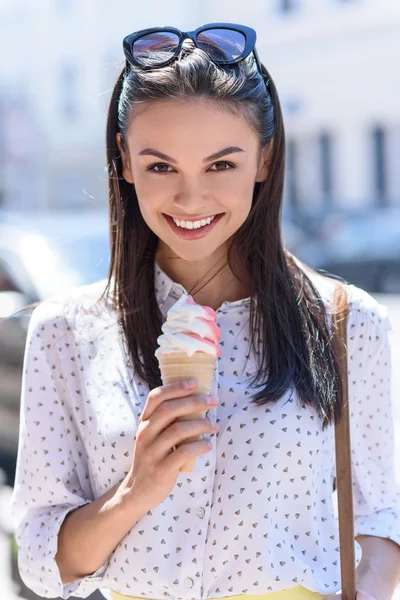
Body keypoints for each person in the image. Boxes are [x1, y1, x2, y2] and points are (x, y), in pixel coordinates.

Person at [10, 22, 400, 600]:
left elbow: (381, 523)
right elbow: (43, 563)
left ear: (264, 159)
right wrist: (135, 491)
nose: (191, 199)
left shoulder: (347, 324)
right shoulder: (67, 332)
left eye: (221, 165)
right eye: (161, 166)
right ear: (124, 160)